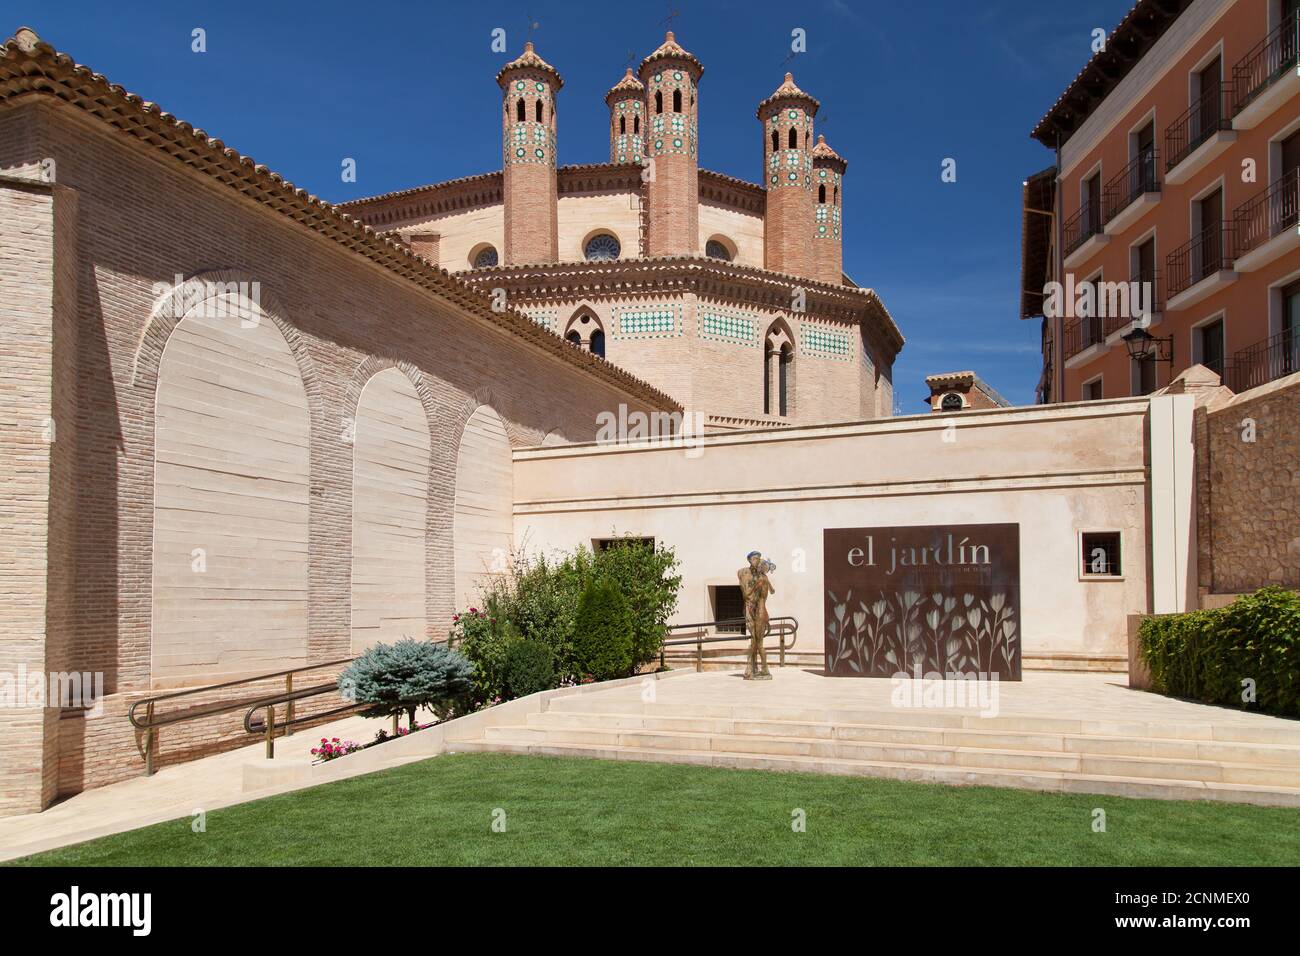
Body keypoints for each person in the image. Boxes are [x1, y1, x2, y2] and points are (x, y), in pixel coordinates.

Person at [737, 551, 775, 680]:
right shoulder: (744, 573)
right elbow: (746, 594)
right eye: (754, 558)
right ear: (749, 560)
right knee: (755, 640)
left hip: (760, 610)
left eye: (758, 559)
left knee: (757, 641)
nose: (757, 560)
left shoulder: (761, 576)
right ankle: (753, 667)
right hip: (750, 608)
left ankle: (755, 668)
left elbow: (770, 591)